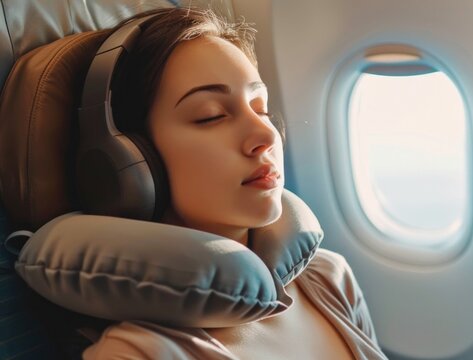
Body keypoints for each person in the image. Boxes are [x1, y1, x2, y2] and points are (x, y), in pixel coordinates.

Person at [81, 7, 388, 360]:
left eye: (261, 107)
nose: (265, 134)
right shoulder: (140, 353)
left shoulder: (329, 279)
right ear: (134, 157)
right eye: (211, 115)